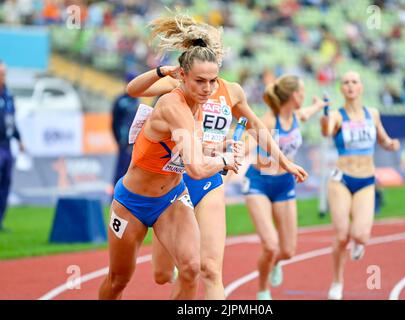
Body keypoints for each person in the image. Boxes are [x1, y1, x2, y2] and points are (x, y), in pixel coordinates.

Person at [126, 14, 308, 300]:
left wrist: (285, 162)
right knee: (162, 275)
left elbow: (258, 126)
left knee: (210, 269)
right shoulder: (179, 85)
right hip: (176, 182)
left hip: (210, 181)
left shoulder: (231, 91)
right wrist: (163, 72)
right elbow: (134, 90)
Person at [98, 33, 242, 300]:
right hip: (133, 203)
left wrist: (220, 149)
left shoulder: (197, 106)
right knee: (118, 279)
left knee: (191, 269)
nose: (208, 89)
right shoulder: (172, 106)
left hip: (171, 199)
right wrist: (223, 161)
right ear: (182, 77)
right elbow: (196, 169)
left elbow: (193, 152)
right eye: (200, 81)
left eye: (212, 82)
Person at [242, 75, 325, 300]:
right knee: (270, 245)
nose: (304, 96)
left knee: (287, 251)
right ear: (290, 96)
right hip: (259, 181)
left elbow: (308, 112)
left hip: (284, 184)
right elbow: (249, 140)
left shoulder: (297, 116)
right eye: (301, 93)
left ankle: (275, 263)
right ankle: (262, 289)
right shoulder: (269, 121)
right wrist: (237, 151)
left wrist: (319, 106)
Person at [320, 71, 400, 300]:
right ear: (341, 89)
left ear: (361, 87)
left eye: (354, 81)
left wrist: (391, 144)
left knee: (361, 236)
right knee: (342, 235)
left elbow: (383, 139)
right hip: (341, 179)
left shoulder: (372, 114)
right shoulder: (336, 115)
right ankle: (337, 282)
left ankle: (360, 242)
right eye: (345, 82)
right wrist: (325, 114)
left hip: (366, 180)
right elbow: (326, 131)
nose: (350, 85)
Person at [0, 61, 25, 232]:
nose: (3, 76)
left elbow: (11, 121)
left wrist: (19, 138)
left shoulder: (8, 95)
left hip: (7, 145)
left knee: (5, 183)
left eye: (4, 73)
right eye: (1, 73)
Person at [111, 73, 140, 187]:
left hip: (135, 143)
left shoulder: (137, 100)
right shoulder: (120, 100)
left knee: (132, 171)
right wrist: (119, 140)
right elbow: (114, 122)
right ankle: (115, 197)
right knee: (120, 171)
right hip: (124, 141)